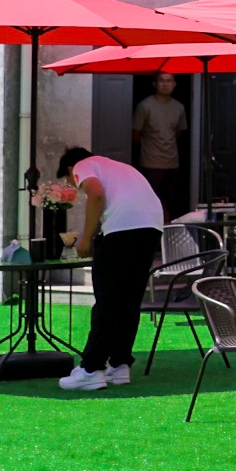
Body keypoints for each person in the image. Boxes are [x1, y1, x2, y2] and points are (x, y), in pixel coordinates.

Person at [52, 144, 166, 393]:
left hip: (122, 231)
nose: (74, 186)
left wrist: (87, 237)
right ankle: (119, 365)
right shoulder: (119, 167)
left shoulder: (83, 165)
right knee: (129, 300)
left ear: (71, 169)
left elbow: (96, 195)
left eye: (70, 181)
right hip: (151, 228)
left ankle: (91, 369)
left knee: (108, 300)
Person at [132, 72, 189, 217]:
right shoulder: (145, 106)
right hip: (150, 162)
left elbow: (178, 132)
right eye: (162, 81)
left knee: (169, 199)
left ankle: (167, 222)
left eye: (169, 81)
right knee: (151, 198)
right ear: (155, 84)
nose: (165, 84)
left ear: (174, 84)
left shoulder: (179, 107)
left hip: (172, 161)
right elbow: (136, 133)